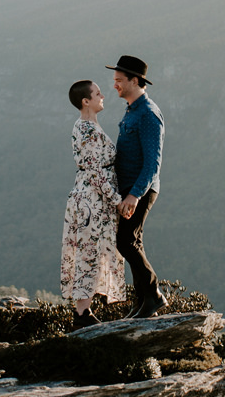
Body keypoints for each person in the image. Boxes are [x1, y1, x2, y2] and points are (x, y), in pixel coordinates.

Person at [60, 78, 127, 329]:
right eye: (98, 93)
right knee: (88, 252)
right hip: (91, 200)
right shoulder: (86, 129)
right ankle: (81, 314)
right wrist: (116, 200)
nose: (103, 96)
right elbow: (94, 171)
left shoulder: (90, 126)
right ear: (85, 101)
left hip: (94, 198)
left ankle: (85, 310)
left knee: (93, 251)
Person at [108, 53, 166, 317]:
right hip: (129, 189)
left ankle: (153, 295)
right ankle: (142, 302)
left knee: (126, 242)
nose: (115, 85)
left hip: (140, 189)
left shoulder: (149, 115)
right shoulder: (132, 109)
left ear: (134, 80)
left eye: (119, 80)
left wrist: (134, 195)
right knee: (132, 242)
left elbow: (153, 163)